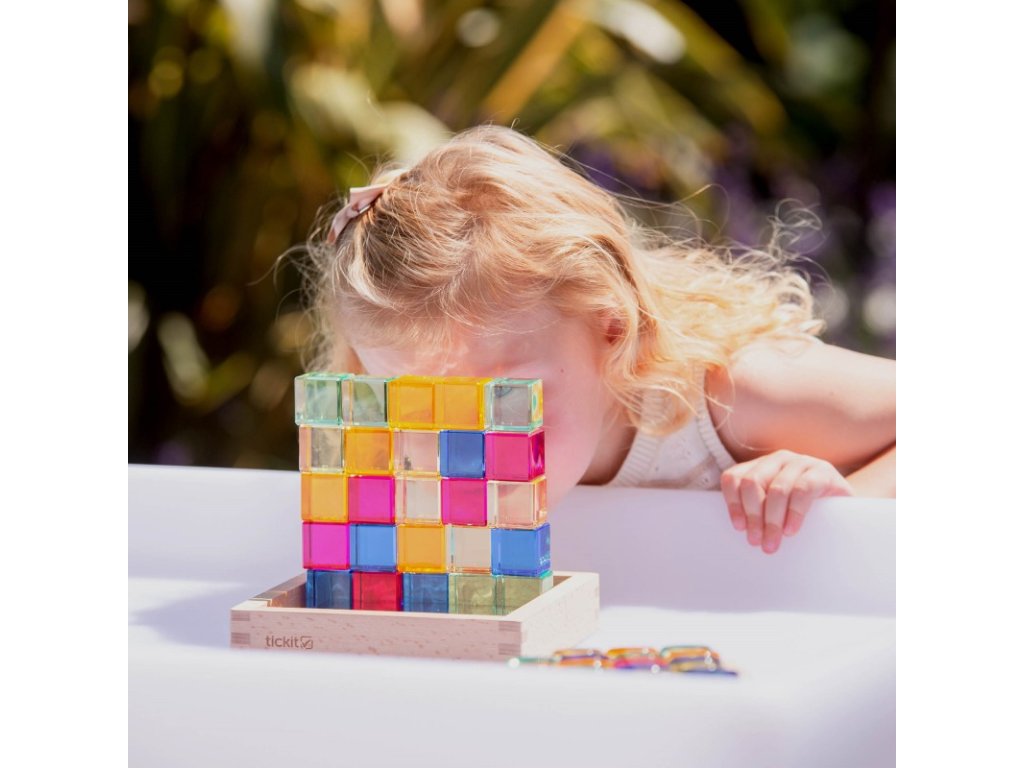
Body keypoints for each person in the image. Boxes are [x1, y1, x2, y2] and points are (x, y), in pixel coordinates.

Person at [299, 124, 895, 555]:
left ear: (611, 328)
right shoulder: (412, 459)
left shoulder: (734, 397)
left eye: (507, 402)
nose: (465, 456)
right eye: (421, 411)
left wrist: (847, 505)